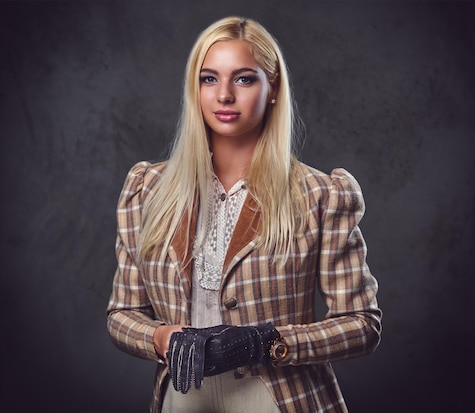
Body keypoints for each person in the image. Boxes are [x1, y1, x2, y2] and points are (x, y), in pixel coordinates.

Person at [106, 15, 382, 413]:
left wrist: (264, 341)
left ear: (273, 89)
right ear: (194, 89)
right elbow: (121, 314)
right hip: (181, 400)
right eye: (209, 78)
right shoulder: (147, 189)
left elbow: (362, 325)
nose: (223, 96)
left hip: (277, 399)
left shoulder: (322, 195)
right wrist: (163, 338)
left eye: (244, 79)